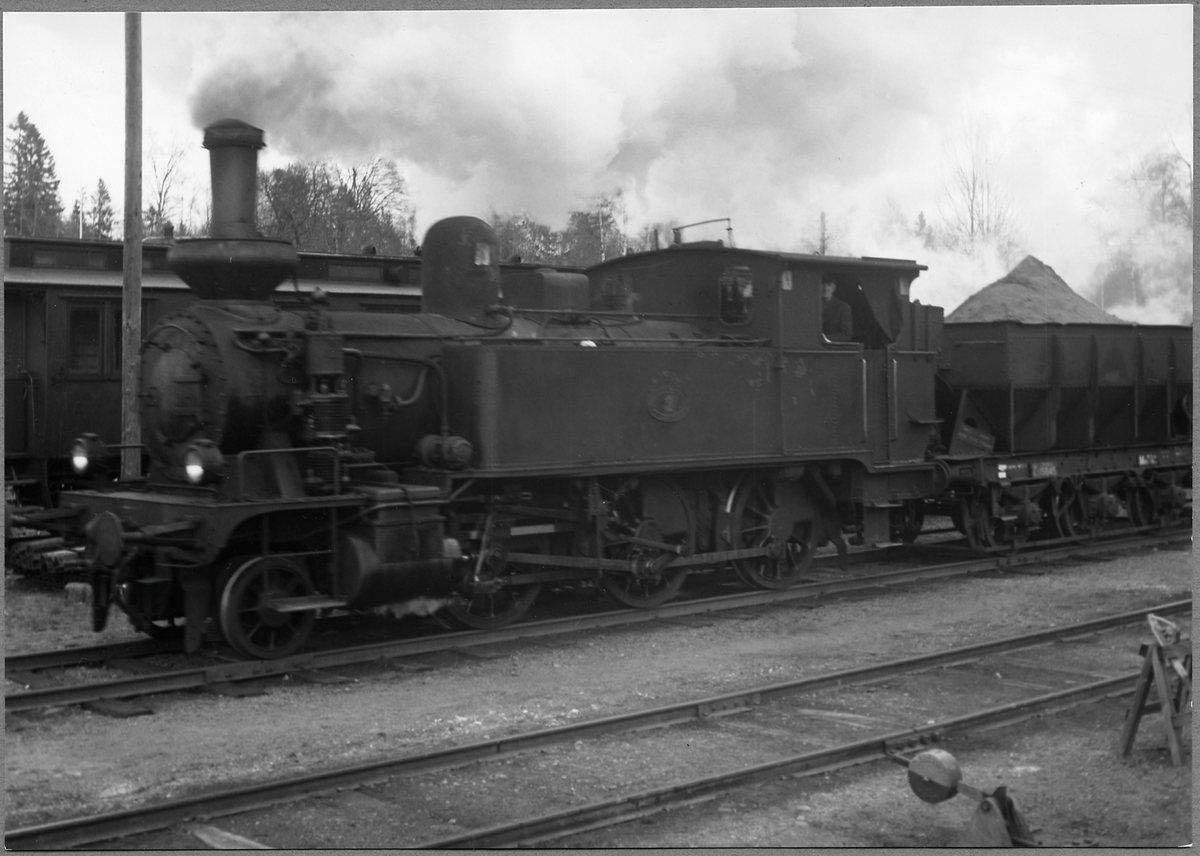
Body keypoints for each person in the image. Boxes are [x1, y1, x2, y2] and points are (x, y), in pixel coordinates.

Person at [821, 275, 853, 342]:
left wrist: (824, 339)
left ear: (834, 288)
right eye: (822, 284)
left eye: (829, 285)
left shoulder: (843, 307)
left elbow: (846, 334)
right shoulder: (810, 305)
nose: (825, 288)